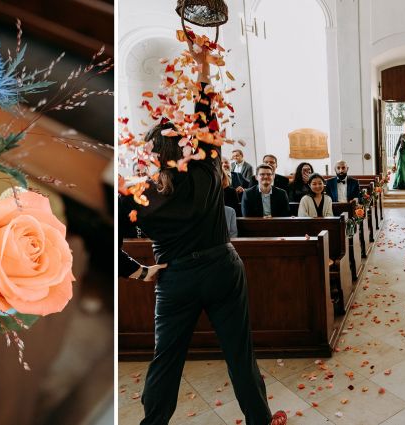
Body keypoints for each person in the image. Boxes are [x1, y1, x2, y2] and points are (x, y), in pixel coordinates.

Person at [120, 42, 285, 425]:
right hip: (221, 269)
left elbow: (104, 247)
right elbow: (206, 117)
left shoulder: (137, 196)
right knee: (239, 353)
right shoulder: (207, 170)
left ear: (150, 155)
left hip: (174, 278)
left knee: (167, 359)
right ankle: (259, 421)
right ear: (186, 145)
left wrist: (140, 272)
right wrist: (203, 69)